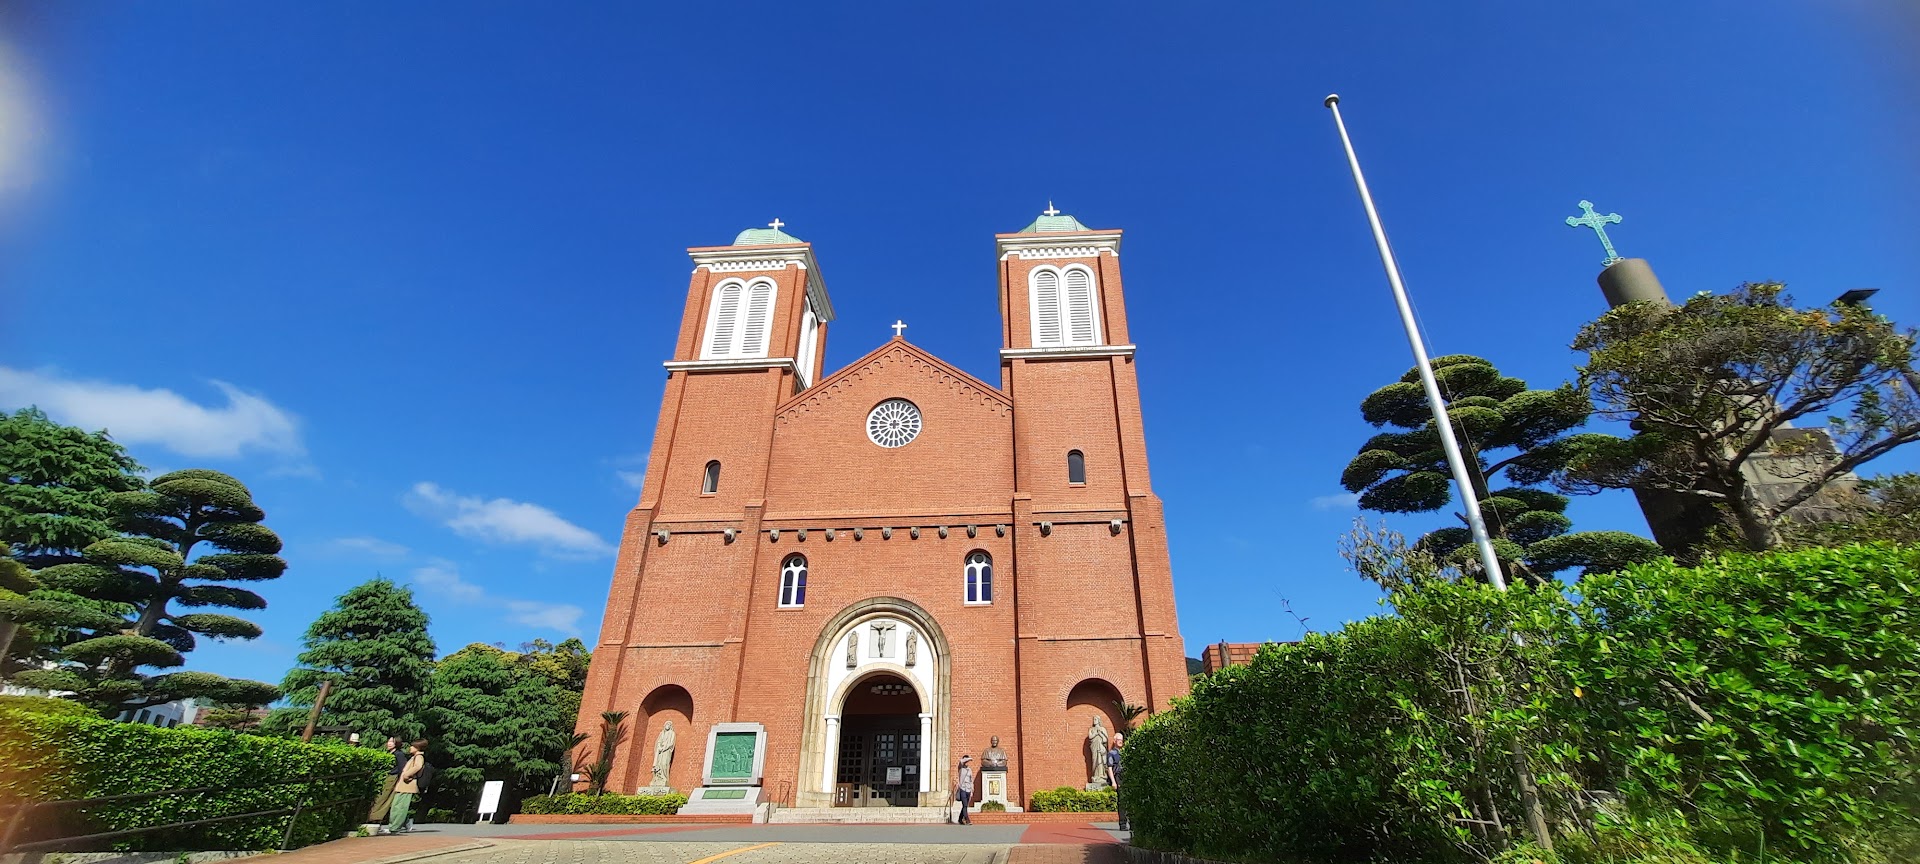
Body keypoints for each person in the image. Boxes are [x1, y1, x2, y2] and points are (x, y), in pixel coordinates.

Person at [387, 739, 427, 834]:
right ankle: (400, 824)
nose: (410, 748)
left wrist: (407, 774)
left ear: (418, 748)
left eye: (412, 746)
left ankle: (394, 827)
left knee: (400, 806)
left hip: (407, 785)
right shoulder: (415, 756)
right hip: (404, 785)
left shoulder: (419, 757)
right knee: (398, 805)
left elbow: (418, 766)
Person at [367, 737, 403, 824]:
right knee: (379, 797)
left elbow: (402, 767)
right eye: (389, 741)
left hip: (392, 777)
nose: (389, 743)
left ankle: (375, 817)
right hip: (385, 776)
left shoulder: (399, 754)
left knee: (383, 798)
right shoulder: (388, 753)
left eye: (392, 742)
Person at [1106, 733, 1128, 831]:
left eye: (1122, 739)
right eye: (1118, 739)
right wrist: (1113, 782)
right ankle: (1122, 824)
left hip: (1127, 777)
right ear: (1114, 741)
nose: (1120, 741)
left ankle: (1133, 823)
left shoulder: (1125, 752)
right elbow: (1109, 768)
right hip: (1118, 777)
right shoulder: (1111, 753)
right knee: (1122, 801)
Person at [953, 753, 974, 825]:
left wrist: (972, 790)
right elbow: (961, 761)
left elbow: (971, 780)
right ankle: (967, 820)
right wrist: (968, 758)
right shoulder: (960, 769)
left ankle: (960, 819)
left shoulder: (969, 770)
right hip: (962, 789)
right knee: (964, 804)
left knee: (965, 805)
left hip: (968, 789)